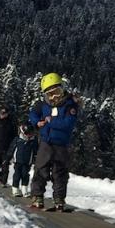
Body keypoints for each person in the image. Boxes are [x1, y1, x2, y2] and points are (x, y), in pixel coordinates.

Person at [29, 73, 79, 211]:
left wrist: (50, 122)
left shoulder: (70, 105)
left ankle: (59, 199)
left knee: (60, 172)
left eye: (56, 92)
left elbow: (68, 124)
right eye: (50, 94)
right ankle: (37, 197)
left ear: (62, 89)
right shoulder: (43, 105)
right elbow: (33, 113)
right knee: (40, 169)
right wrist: (36, 122)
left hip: (61, 144)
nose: (54, 97)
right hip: (46, 142)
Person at [6, 123, 38, 197]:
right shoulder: (18, 139)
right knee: (17, 175)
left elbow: (36, 150)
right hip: (17, 161)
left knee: (25, 175)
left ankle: (24, 190)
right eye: (27, 133)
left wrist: (35, 158)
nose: (28, 135)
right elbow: (11, 148)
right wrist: (8, 157)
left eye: (30, 133)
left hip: (27, 162)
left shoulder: (33, 141)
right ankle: (15, 189)